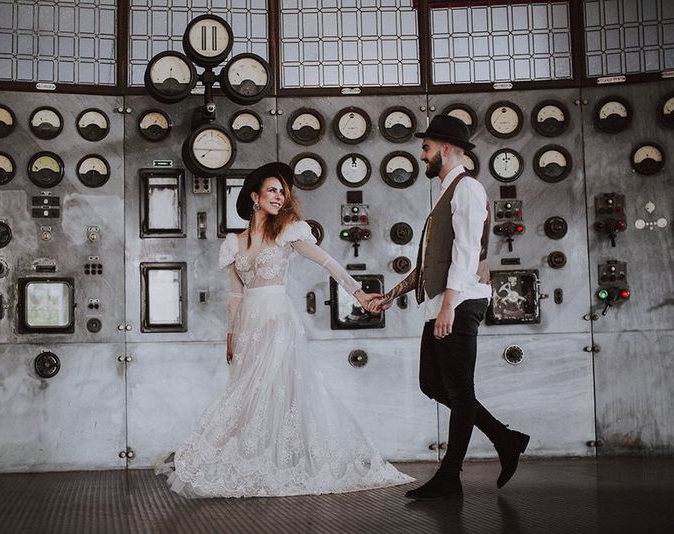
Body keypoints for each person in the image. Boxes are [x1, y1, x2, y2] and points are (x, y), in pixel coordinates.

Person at [159, 162, 413, 497]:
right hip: (249, 323)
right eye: (272, 190)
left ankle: (275, 463)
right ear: (255, 196)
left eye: (282, 191)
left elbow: (328, 262)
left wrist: (360, 294)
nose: (279, 196)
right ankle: (250, 461)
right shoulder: (234, 243)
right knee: (246, 394)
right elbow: (235, 296)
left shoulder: (288, 231)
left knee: (270, 388)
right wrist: (230, 336)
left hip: (278, 319)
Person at [370, 115, 530, 501]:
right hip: (442, 302)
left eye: (425, 149)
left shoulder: (468, 189)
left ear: (443, 148)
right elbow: (430, 260)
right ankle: (505, 438)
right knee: (432, 383)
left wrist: (450, 306)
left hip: (458, 302)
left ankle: (450, 476)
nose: (421, 156)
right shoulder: (447, 193)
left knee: (459, 390)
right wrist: (393, 294)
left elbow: (466, 252)